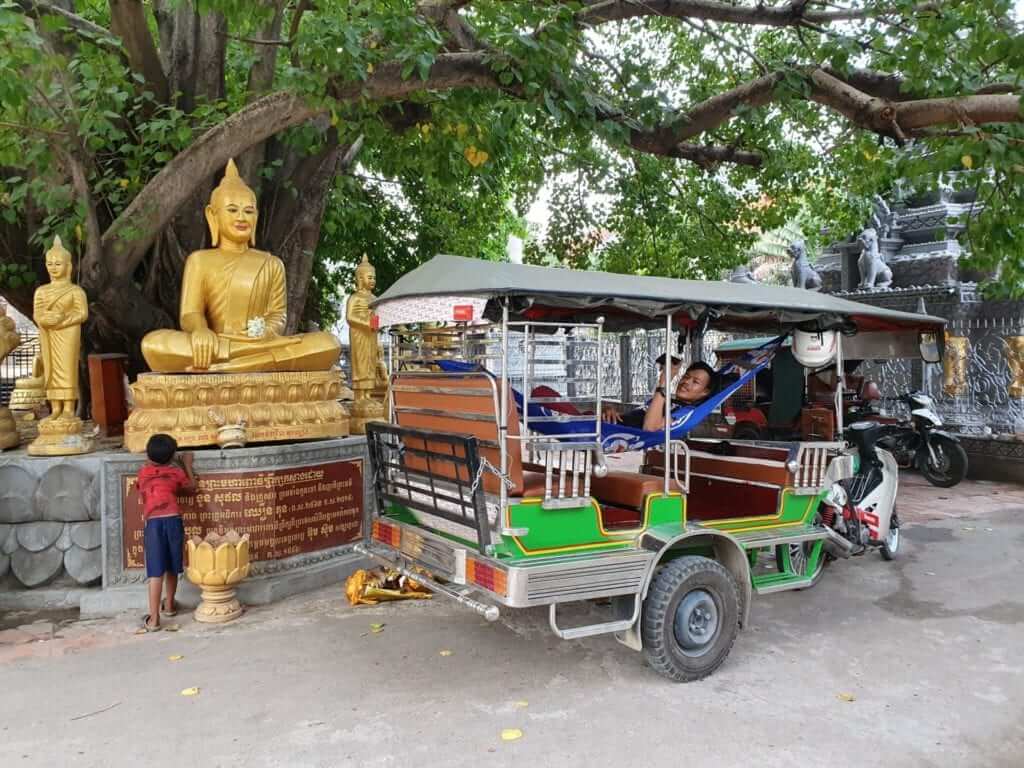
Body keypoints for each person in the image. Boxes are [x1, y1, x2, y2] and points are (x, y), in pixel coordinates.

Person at [135, 434, 197, 632]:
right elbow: (191, 488)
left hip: (154, 523)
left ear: (148, 454)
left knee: (156, 572)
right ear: (172, 457)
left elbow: (142, 486)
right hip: (174, 521)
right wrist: (186, 464)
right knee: (172, 566)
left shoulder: (143, 473)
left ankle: (154, 620)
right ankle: (169, 606)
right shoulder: (175, 474)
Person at [603, 361, 717, 432]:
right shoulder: (663, 399)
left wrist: (663, 384)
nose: (686, 382)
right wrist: (611, 412)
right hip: (610, 426)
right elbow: (634, 418)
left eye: (695, 382)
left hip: (616, 434)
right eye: (686, 377)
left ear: (705, 392)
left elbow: (650, 428)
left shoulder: (687, 412)